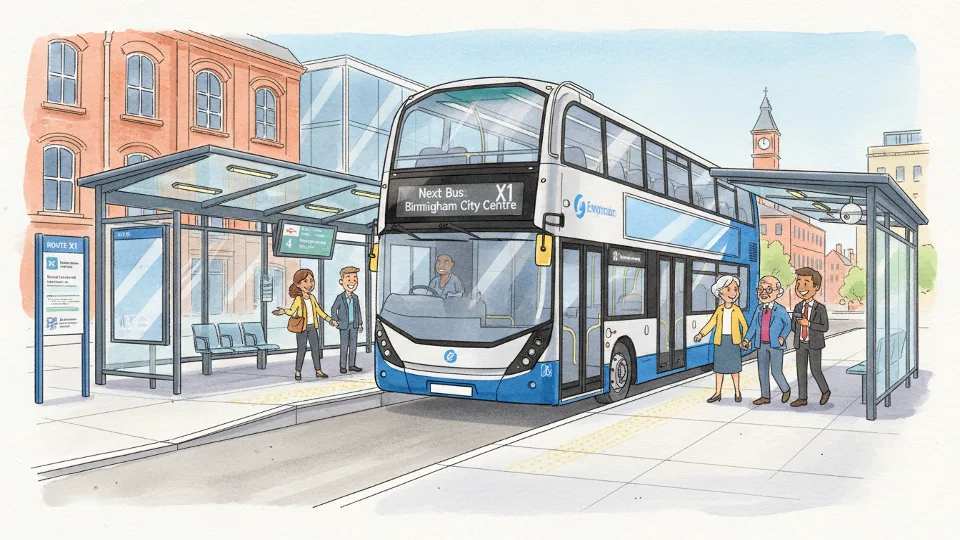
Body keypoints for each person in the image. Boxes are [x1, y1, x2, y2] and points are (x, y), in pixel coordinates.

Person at [272, 268, 335, 381]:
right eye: (305, 281)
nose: (309, 284)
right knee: (301, 350)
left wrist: (330, 320)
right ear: (298, 284)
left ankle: (318, 371)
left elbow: (319, 311)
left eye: (311, 280)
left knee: (315, 349)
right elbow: (292, 311)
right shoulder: (298, 299)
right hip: (302, 328)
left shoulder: (312, 298)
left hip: (312, 328)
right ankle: (298, 371)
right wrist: (283, 311)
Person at [694, 275, 748, 403]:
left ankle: (737, 391)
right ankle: (718, 393)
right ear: (720, 293)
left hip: (734, 342)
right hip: (720, 342)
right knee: (719, 370)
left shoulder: (737, 310)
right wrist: (701, 334)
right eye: (728, 290)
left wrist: (745, 340)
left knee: (735, 370)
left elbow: (745, 326)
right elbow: (711, 323)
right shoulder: (719, 310)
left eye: (735, 289)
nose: (733, 293)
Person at [741, 275, 793, 405]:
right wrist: (747, 339)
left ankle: (786, 389)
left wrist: (782, 337)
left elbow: (788, 324)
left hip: (775, 345)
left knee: (776, 371)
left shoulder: (780, 310)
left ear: (778, 292)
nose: (764, 293)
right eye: (760, 289)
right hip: (761, 345)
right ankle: (765, 396)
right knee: (762, 371)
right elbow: (753, 325)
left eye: (769, 290)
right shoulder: (759, 309)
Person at [791, 267, 831, 407]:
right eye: (798, 283)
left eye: (806, 284)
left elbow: (824, 327)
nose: (801, 287)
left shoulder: (820, 308)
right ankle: (802, 398)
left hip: (814, 344)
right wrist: (799, 328)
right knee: (800, 371)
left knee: (815, 370)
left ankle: (825, 390)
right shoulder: (797, 307)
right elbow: (793, 326)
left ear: (816, 287)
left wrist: (808, 324)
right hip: (800, 343)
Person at [330, 266, 364, 375]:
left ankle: (352, 365)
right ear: (341, 282)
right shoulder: (340, 297)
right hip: (343, 325)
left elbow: (358, 311)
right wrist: (335, 320)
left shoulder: (356, 298)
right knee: (344, 346)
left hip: (353, 325)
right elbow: (333, 308)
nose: (352, 282)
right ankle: (343, 366)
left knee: (353, 345)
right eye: (349, 279)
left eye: (355, 279)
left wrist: (360, 323)